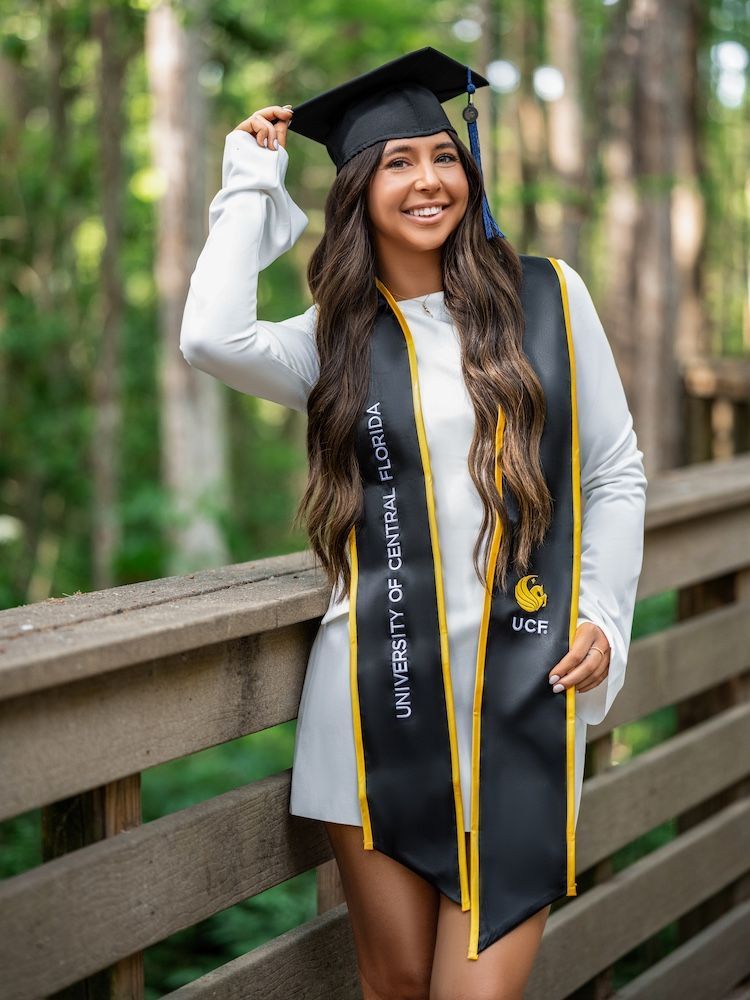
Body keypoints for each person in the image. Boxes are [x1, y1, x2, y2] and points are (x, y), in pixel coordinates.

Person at [180, 46, 647, 1000]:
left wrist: (600, 608)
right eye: (398, 162)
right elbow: (210, 336)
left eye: (444, 155)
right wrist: (250, 184)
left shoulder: (549, 300)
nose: (430, 179)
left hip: (520, 689)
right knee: (393, 986)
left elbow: (614, 470)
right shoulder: (332, 340)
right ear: (359, 188)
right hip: (374, 701)